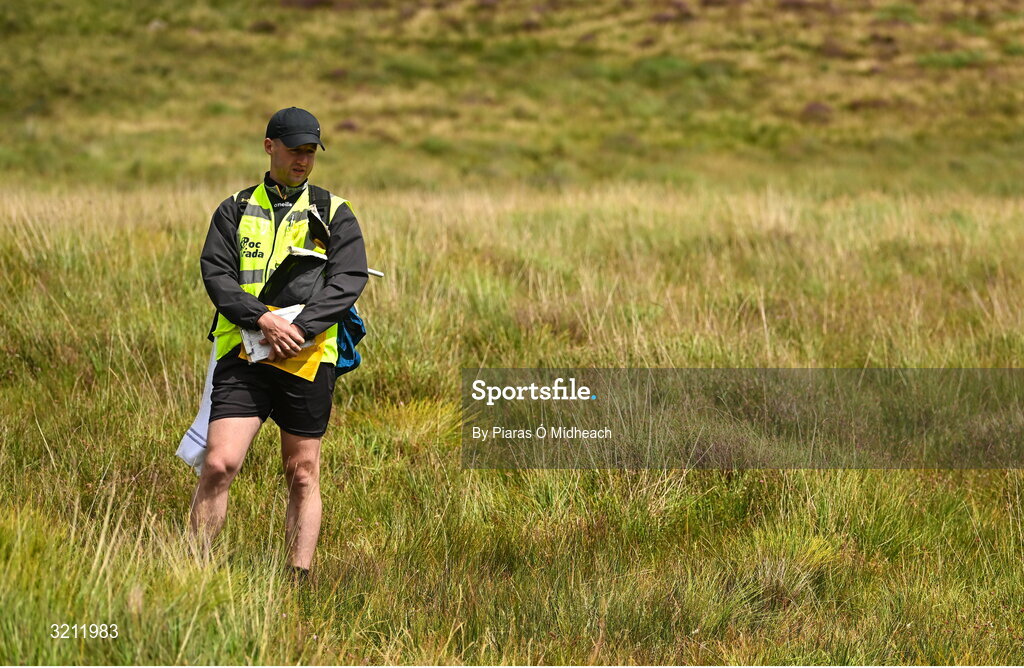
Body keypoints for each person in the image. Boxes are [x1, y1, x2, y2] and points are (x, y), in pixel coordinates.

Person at [189, 107, 368, 580]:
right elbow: (217, 276)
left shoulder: (335, 211)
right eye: (295, 151)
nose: (303, 161)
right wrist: (263, 319)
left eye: (311, 152)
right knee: (219, 463)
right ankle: (194, 574)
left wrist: (300, 329)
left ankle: (297, 579)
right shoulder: (233, 209)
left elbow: (348, 279)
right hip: (242, 354)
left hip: (307, 358)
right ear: (270, 147)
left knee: (303, 472)